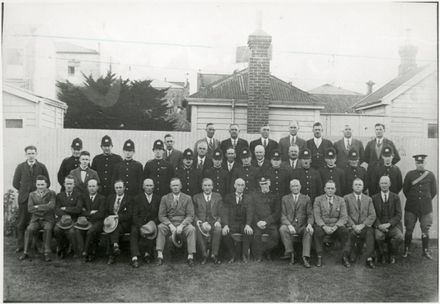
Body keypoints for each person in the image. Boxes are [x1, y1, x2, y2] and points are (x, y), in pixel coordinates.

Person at [13, 145, 50, 253]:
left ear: (36, 154)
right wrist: (24, 191)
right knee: (22, 222)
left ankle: (37, 245)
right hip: (24, 199)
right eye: (29, 153)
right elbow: (15, 183)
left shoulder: (42, 167)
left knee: (36, 221)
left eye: (33, 153)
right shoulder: (20, 167)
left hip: (38, 200)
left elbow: (48, 182)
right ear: (26, 154)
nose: (31, 155)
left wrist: (38, 193)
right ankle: (20, 245)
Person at [402, 154, 437, 260]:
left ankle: (425, 251)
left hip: (426, 208)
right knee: (409, 229)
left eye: (422, 163)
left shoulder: (430, 175)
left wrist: (424, 201)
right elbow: (405, 190)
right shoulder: (410, 174)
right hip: (411, 207)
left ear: (425, 163)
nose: (420, 165)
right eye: (418, 163)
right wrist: (414, 200)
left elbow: (434, 191)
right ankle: (406, 249)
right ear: (415, 163)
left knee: (425, 229)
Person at [156, 178, 196, 267]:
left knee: (192, 229)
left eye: (177, 185)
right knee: (160, 227)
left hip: (183, 223)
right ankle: (160, 255)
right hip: (169, 222)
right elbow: (161, 215)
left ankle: (190, 256)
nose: (175, 187)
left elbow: (190, 215)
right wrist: (170, 225)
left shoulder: (187, 198)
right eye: (173, 185)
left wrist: (182, 225)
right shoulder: (165, 198)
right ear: (170, 187)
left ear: (181, 186)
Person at [313, 180, 350, 267]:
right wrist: (324, 227)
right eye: (328, 188)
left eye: (332, 188)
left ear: (335, 189)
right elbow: (317, 216)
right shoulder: (318, 199)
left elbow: (344, 217)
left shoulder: (341, 200)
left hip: (336, 226)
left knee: (345, 231)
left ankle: (345, 257)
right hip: (323, 225)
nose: (330, 190)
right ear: (324, 189)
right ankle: (319, 256)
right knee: (317, 231)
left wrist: (335, 227)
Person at [19, 175, 56, 262]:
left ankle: (46, 253)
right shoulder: (32, 194)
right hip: (35, 219)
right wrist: (44, 207)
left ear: (46, 184)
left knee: (48, 229)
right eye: (38, 185)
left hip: (48, 219)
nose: (40, 187)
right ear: (36, 185)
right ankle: (26, 252)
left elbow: (51, 206)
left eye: (42, 185)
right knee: (29, 229)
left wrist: (37, 207)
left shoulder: (51, 193)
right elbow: (30, 209)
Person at [279, 179, 314, 268]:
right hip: (290, 225)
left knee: (308, 231)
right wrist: (289, 225)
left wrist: (309, 224)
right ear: (290, 188)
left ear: (300, 187)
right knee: (282, 229)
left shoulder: (306, 198)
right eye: (293, 186)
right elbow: (283, 215)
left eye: (297, 186)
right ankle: (291, 254)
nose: (295, 188)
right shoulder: (285, 198)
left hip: (302, 226)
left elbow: (310, 214)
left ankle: (305, 257)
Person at [344, 178, 376, 269]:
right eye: (356, 185)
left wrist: (362, 225)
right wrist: (353, 226)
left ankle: (369, 258)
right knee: (349, 234)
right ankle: (345, 257)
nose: (358, 186)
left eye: (360, 185)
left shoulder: (368, 199)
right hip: (351, 226)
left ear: (363, 187)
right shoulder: (346, 198)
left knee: (370, 233)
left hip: (364, 226)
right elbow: (345, 214)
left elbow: (372, 215)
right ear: (352, 186)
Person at [371, 176, 403, 264]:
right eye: (382, 183)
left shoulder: (395, 197)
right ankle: (381, 254)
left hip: (392, 226)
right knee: (379, 236)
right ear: (379, 184)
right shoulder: (374, 198)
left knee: (399, 237)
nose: (384, 185)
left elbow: (399, 215)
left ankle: (392, 254)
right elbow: (373, 215)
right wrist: (379, 225)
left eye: (386, 183)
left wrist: (389, 224)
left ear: (390, 184)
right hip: (379, 225)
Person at [221, 178, 253, 263]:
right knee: (226, 233)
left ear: (244, 186)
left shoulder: (248, 198)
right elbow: (224, 212)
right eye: (238, 185)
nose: (240, 187)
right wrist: (225, 225)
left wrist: (248, 224)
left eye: (242, 185)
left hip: (243, 223)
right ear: (234, 186)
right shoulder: (228, 197)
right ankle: (232, 255)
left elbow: (250, 212)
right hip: (232, 224)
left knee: (247, 232)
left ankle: (244, 255)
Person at [131, 178, 161, 268]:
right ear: (143, 187)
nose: (149, 188)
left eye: (151, 185)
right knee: (134, 232)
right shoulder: (137, 198)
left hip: (152, 224)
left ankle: (147, 254)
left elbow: (160, 215)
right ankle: (135, 257)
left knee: (152, 230)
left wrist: (152, 224)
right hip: (139, 224)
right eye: (147, 185)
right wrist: (141, 226)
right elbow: (134, 215)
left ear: (154, 187)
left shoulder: (158, 198)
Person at [249, 177, 281, 262]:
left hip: (270, 223)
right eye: (262, 184)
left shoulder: (275, 195)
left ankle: (266, 251)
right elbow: (252, 211)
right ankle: (259, 256)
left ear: (269, 183)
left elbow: (277, 212)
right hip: (258, 222)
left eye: (266, 183)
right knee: (256, 235)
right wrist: (257, 222)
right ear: (259, 185)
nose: (264, 186)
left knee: (275, 237)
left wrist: (266, 222)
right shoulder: (255, 195)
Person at [193, 178, 223, 264]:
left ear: (212, 187)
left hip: (214, 221)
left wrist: (218, 221)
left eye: (209, 185)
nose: (207, 187)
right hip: (202, 222)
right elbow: (193, 213)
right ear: (202, 187)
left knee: (218, 228)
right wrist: (197, 221)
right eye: (205, 185)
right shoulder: (196, 197)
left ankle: (214, 255)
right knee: (197, 228)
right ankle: (204, 255)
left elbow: (221, 212)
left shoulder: (218, 196)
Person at [75, 178, 106, 262]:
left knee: (90, 231)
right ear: (87, 187)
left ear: (97, 187)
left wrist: (87, 212)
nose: (91, 188)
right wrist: (91, 212)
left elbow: (101, 214)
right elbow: (80, 211)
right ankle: (83, 251)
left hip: (98, 222)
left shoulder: (102, 198)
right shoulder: (83, 197)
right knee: (78, 230)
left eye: (93, 186)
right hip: (86, 221)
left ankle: (86, 252)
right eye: (90, 186)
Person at [105, 180, 133, 265]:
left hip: (124, 223)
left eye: (120, 187)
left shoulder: (129, 199)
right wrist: (108, 219)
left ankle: (111, 255)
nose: (118, 189)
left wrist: (117, 217)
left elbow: (129, 215)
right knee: (112, 228)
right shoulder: (110, 198)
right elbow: (106, 211)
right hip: (111, 222)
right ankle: (115, 246)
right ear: (114, 188)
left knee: (113, 229)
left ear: (124, 188)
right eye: (116, 188)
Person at [54, 175, 83, 258]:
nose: (69, 186)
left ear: (74, 184)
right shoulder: (59, 195)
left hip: (73, 219)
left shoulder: (78, 195)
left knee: (71, 231)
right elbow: (57, 209)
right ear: (64, 184)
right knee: (56, 230)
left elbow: (78, 209)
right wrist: (65, 216)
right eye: (67, 184)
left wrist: (65, 208)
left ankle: (74, 250)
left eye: (71, 184)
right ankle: (61, 248)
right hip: (62, 219)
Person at [364, 123, 401, 188]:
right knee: (373, 190)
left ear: (384, 130)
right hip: (372, 173)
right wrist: (373, 164)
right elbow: (365, 157)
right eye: (377, 129)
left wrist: (387, 165)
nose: (378, 131)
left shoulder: (389, 143)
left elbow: (397, 157)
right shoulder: (370, 143)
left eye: (380, 129)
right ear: (375, 131)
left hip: (385, 172)